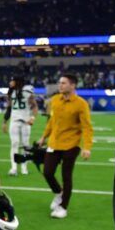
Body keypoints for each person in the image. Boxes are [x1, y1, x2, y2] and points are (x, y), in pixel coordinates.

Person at [37, 74, 93, 219]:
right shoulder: (55, 100)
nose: (60, 85)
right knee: (47, 172)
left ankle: (63, 207)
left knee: (66, 176)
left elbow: (87, 127)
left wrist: (87, 147)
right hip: (54, 143)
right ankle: (58, 193)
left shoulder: (81, 104)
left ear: (72, 85)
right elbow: (51, 122)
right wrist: (44, 136)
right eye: (59, 83)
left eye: (63, 83)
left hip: (71, 145)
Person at [2, 75, 37, 176]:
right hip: (14, 120)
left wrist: (32, 118)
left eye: (12, 80)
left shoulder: (27, 92)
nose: (10, 82)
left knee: (25, 145)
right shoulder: (11, 93)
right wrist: (4, 122)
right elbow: (9, 108)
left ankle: (24, 168)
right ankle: (13, 168)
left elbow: (34, 106)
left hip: (26, 121)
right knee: (14, 143)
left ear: (17, 81)